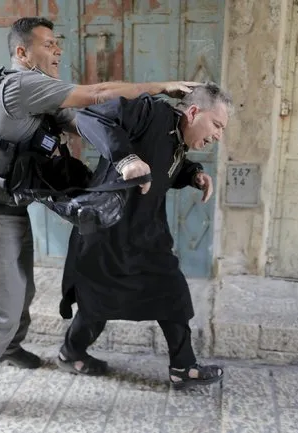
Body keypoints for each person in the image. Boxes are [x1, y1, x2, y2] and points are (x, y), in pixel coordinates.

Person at [0, 16, 200, 424]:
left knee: (19, 295)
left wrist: (129, 152)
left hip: (7, 212)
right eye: (48, 44)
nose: (58, 50)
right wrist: (157, 87)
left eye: (58, 43)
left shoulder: (42, 96)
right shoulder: (21, 84)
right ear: (22, 53)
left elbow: (87, 118)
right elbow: (97, 94)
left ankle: (7, 348)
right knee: (3, 310)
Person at [57, 82, 232, 390]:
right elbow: (88, 118)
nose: (219, 134)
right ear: (193, 112)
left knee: (173, 293)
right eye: (217, 125)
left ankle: (183, 367)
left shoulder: (178, 138)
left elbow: (165, 166)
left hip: (146, 234)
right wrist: (125, 159)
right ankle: (71, 352)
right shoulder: (149, 112)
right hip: (106, 231)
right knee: (97, 304)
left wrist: (193, 175)